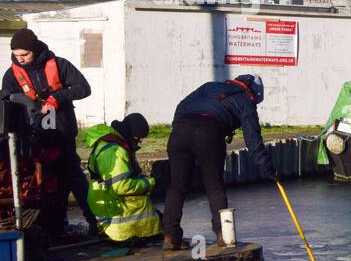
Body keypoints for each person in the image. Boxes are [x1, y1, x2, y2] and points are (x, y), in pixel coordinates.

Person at [161, 74, 277, 250]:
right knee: (214, 185)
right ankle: (223, 236)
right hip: (209, 133)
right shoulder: (245, 101)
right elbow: (253, 141)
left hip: (179, 133)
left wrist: (180, 128)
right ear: (253, 92)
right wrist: (267, 168)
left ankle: (170, 236)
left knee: (176, 185)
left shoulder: (209, 86)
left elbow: (181, 106)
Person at [1, 28, 96, 237]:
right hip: (34, 138)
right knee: (44, 184)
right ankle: (52, 228)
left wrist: (57, 98)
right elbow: (6, 104)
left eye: (24, 55)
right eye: (17, 56)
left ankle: (95, 222)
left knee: (72, 178)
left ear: (34, 49)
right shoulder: (11, 76)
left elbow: (84, 88)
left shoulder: (60, 65)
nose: (21, 59)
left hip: (62, 133)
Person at [85, 113, 162, 243]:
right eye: (139, 138)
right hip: (119, 222)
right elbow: (121, 186)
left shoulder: (113, 143)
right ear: (131, 134)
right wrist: (150, 182)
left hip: (113, 206)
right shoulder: (115, 151)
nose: (140, 142)